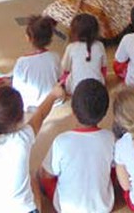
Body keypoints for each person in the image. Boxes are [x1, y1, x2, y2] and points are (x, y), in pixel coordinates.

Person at [0, 84, 65, 213]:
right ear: (20, 118)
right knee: (31, 176)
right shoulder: (22, 139)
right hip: (22, 209)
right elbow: (41, 114)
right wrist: (53, 94)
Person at [39, 79, 114, 213]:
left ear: (72, 110)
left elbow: (47, 175)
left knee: (41, 173)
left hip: (67, 209)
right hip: (104, 207)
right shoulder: (110, 138)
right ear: (104, 113)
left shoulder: (61, 141)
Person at [12, 15, 61, 110]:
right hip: (54, 101)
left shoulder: (22, 61)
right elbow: (59, 77)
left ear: (28, 38)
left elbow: (16, 87)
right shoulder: (55, 56)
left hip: (31, 103)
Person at [61, 13, 107, 93]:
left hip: (75, 89)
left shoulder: (71, 47)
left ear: (74, 32)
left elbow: (65, 68)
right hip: (98, 88)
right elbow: (104, 68)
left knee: (63, 76)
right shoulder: (100, 45)